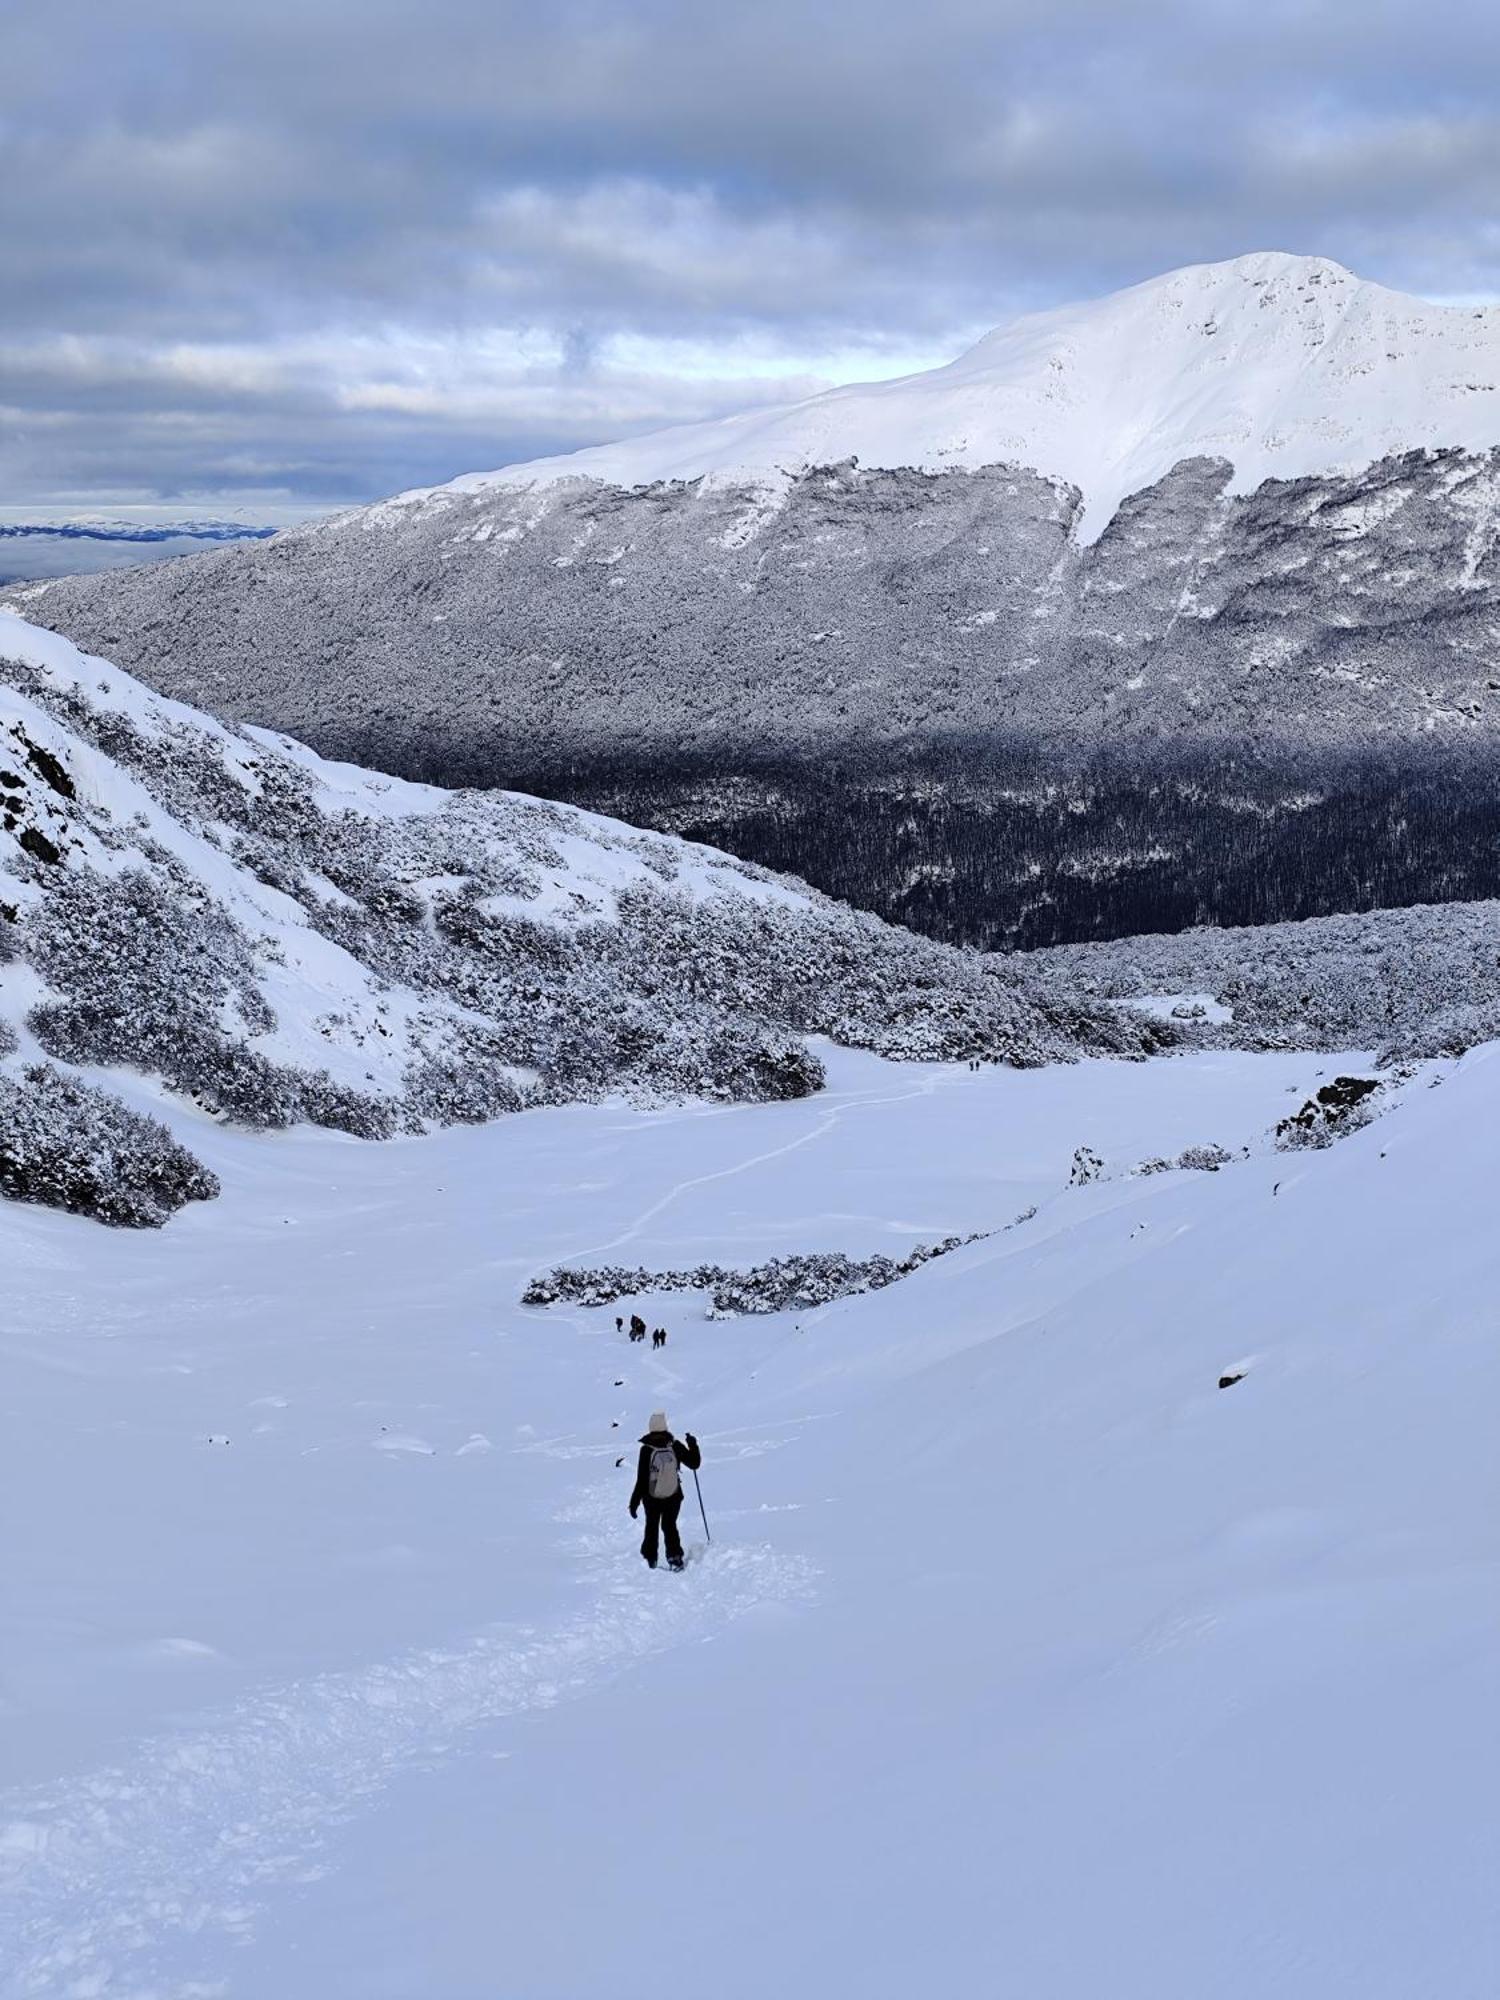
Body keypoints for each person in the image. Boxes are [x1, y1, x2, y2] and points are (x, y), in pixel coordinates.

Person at [628, 1411, 701, 1570]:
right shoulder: (673, 1445)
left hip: (651, 1496)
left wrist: (634, 1503)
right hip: (673, 1494)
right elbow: (694, 1463)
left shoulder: (646, 1449)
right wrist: (692, 1444)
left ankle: (649, 1559)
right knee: (669, 1525)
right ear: (665, 1426)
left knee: (651, 1526)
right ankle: (675, 1558)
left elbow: (641, 1479)